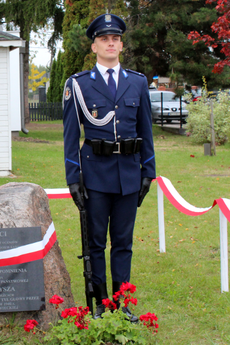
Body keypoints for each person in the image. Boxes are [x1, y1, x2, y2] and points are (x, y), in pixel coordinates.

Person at [62, 13, 155, 321]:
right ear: (94, 47)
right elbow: (71, 136)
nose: (110, 43)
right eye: (104, 39)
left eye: (115, 39)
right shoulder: (78, 85)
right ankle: (100, 303)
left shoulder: (137, 83)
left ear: (121, 45)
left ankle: (122, 302)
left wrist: (148, 171)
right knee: (97, 242)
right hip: (96, 174)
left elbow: (146, 130)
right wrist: (73, 178)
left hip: (129, 173)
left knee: (124, 243)